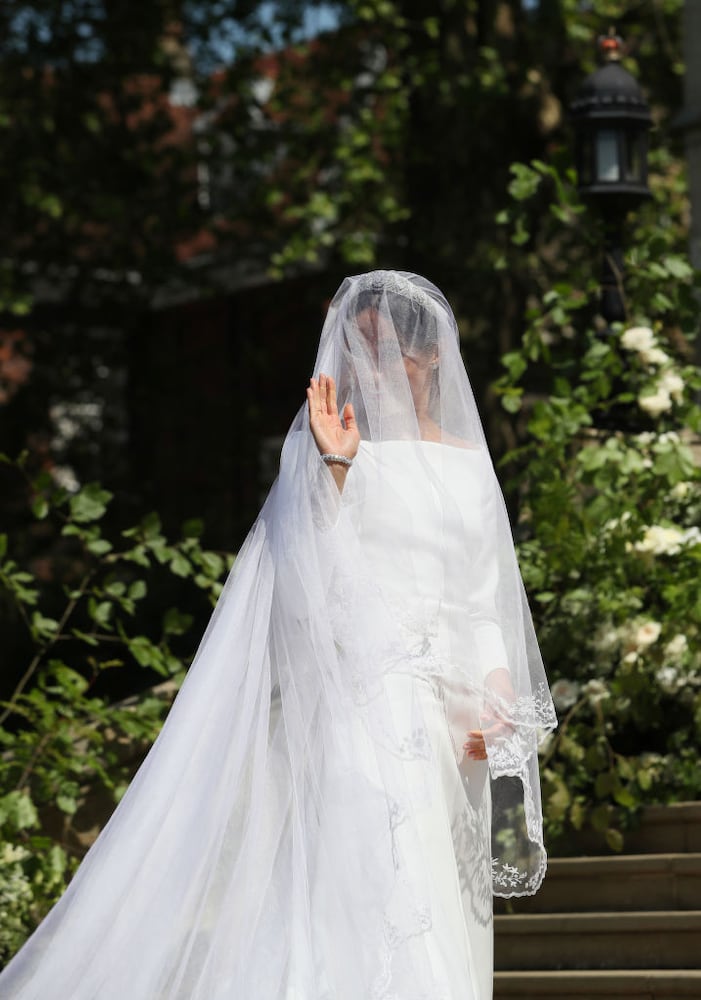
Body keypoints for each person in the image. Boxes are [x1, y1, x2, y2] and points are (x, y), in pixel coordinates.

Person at [0, 270, 556, 1000]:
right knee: (365, 896)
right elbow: (304, 587)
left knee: (451, 914)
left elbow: (482, 601)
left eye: (389, 349)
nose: (373, 363)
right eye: (360, 346)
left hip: (457, 730)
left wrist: (499, 696)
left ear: (429, 362)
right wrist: (333, 468)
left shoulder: (466, 461)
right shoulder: (329, 449)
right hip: (366, 711)